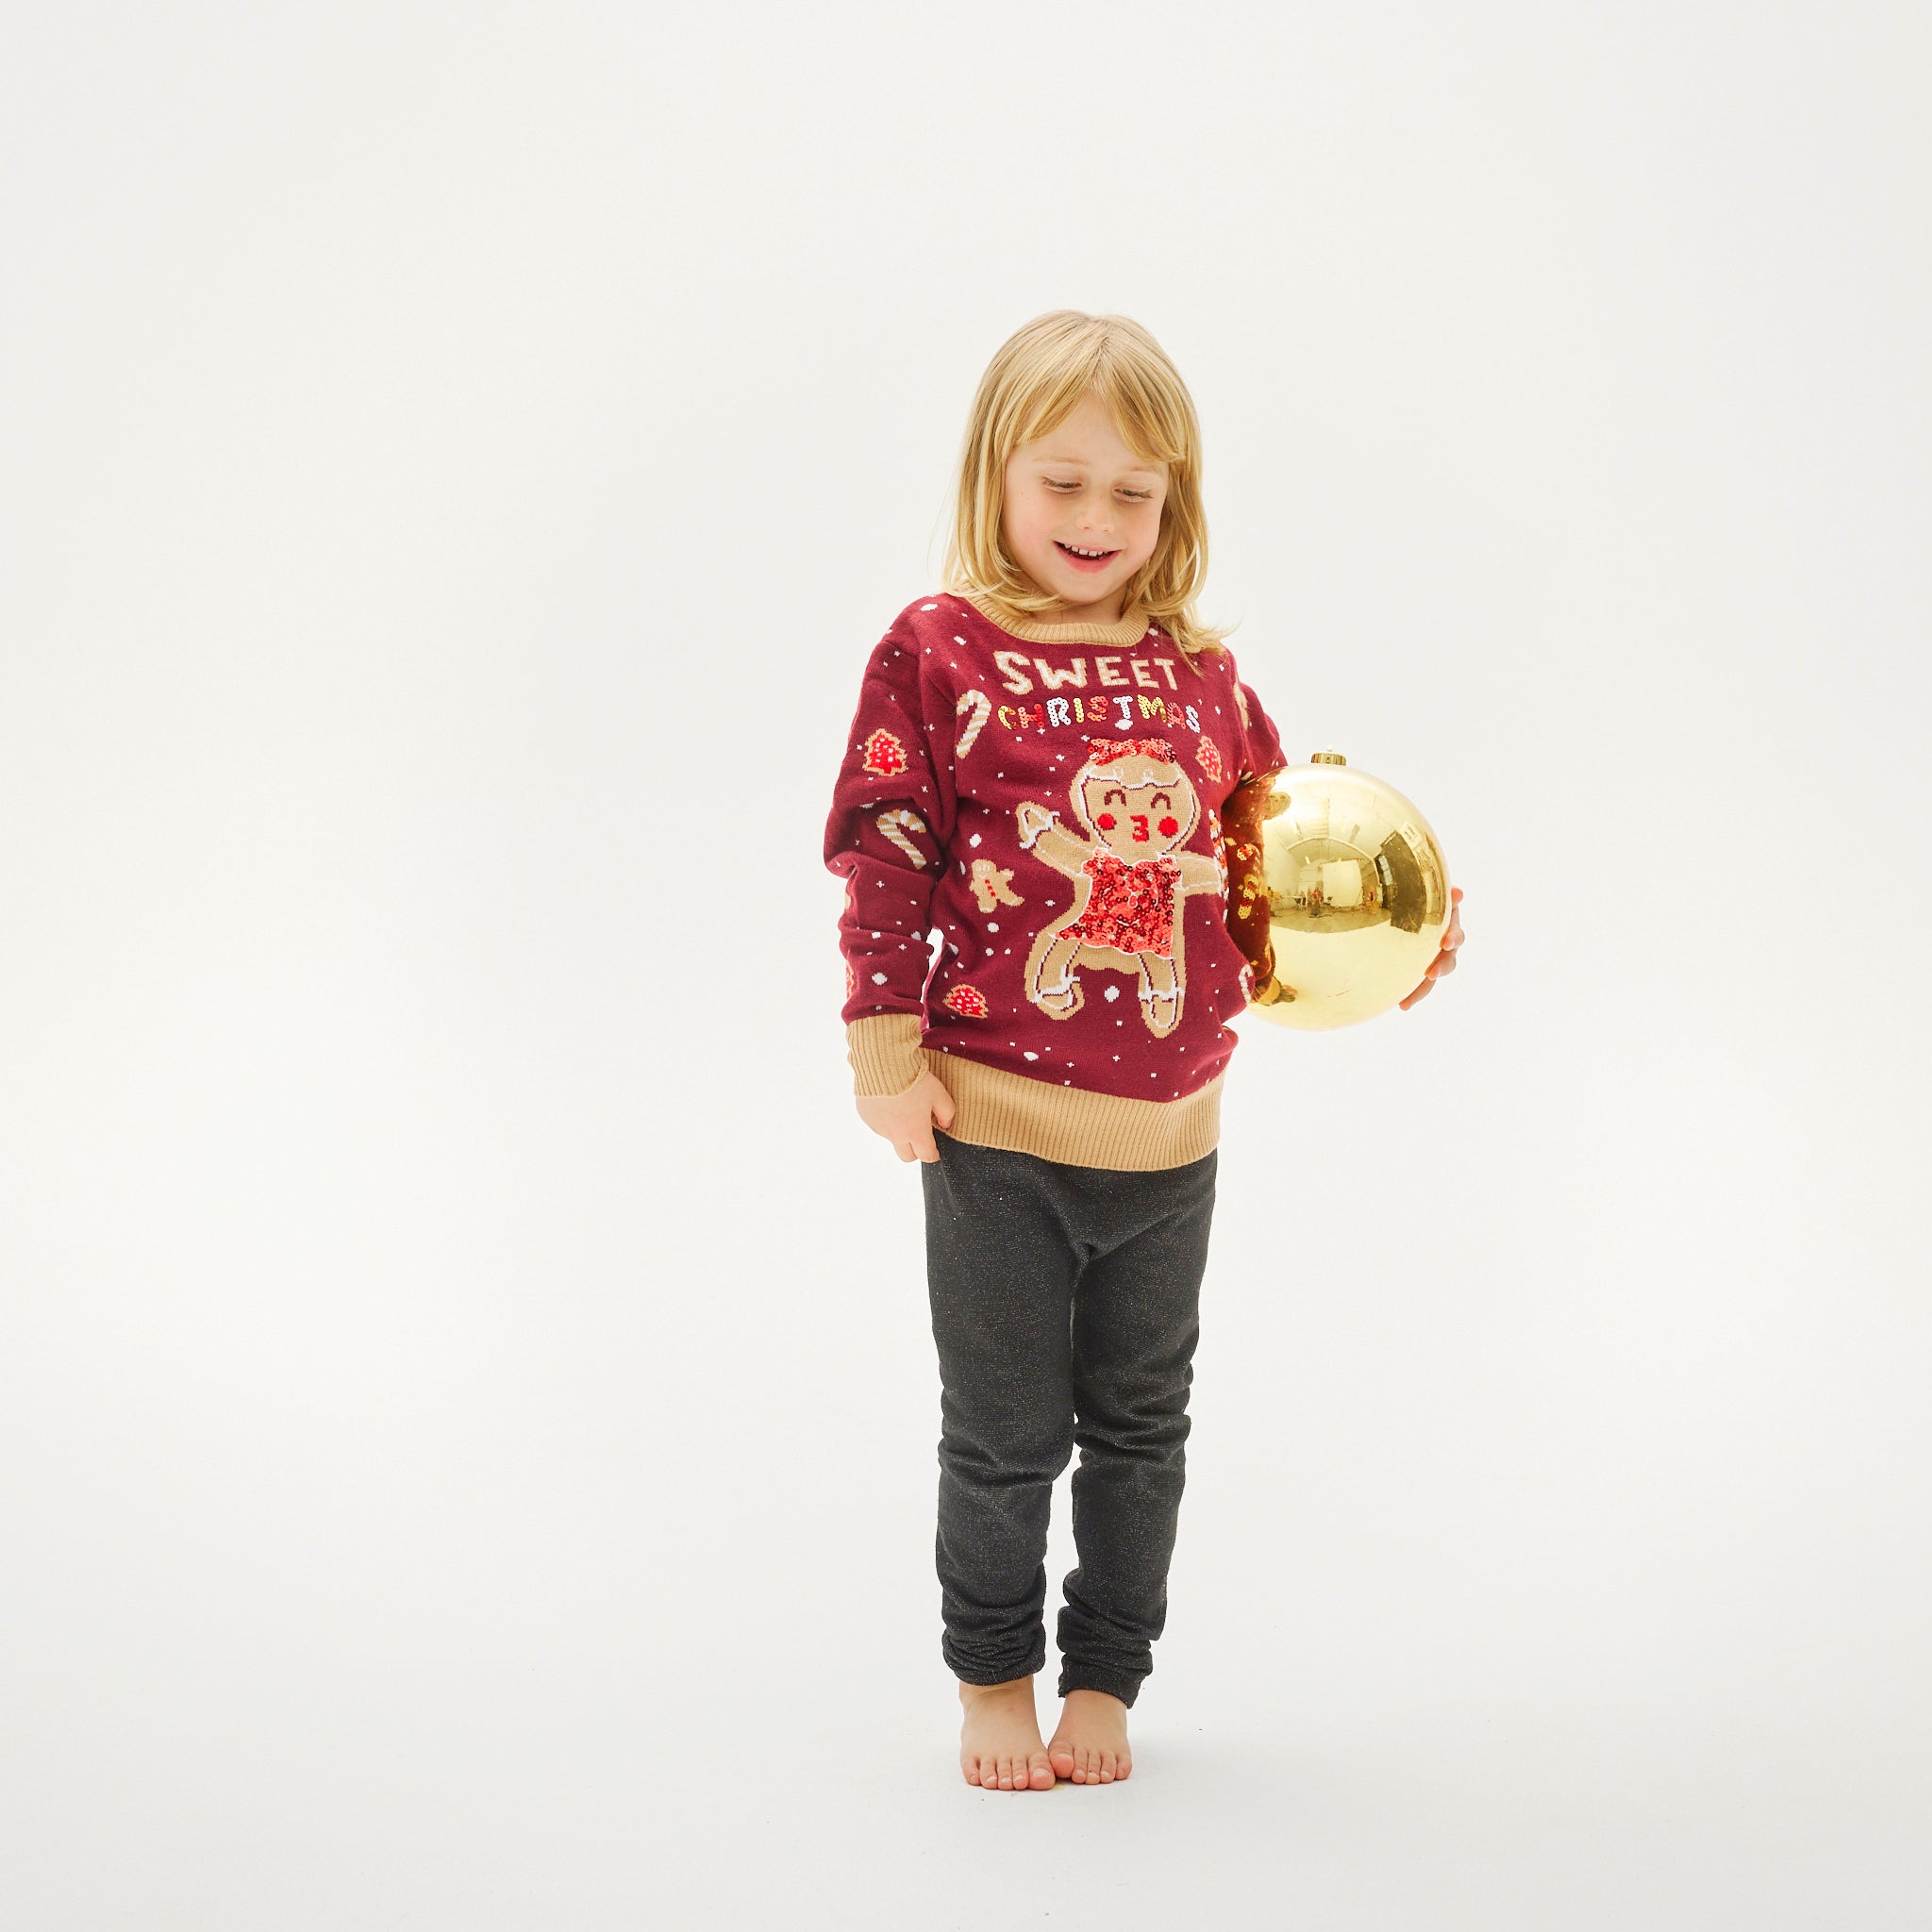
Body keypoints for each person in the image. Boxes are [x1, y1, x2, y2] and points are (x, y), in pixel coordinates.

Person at [822, 311, 1465, 1794]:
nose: (1098, 517)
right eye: (1063, 482)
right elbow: (887, 847)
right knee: (1003, 1435)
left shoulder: (1201, 677)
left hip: (1172, 1141)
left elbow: (1277, 860)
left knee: (1141, 1429)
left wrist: (1400, 937)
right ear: (994, 475)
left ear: (1176, 498)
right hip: (994, 1134)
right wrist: (884, 1048)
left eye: (1135, 489)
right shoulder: (939, 650)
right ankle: (995, 1676)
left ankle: (1107, 1673)